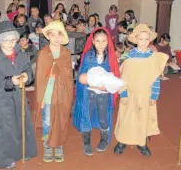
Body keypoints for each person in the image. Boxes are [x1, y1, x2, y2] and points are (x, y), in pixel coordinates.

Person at [114, 24, 168, 157]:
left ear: (150, 40)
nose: (143, 42)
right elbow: (122, 77)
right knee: (127, 117)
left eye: (146, 39)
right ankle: (122, 140)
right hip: (130, 93)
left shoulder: (153, 57)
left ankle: (141, 142)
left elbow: (156, 78)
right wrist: (124, 93)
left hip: (146, 94)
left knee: (143, 118)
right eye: (140, 39)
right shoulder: (129, 57)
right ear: (136, 40)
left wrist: (154, 95)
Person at [0, 21, 37, 169]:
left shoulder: (21, 54)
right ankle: (6, 159)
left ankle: (24, 151)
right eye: (6, 40)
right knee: (5, 129)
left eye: (13, 39)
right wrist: (10, 81)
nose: (11, 43)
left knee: (22, 124)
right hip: (3, 100)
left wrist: (27, 75)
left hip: (20, 97)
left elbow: (28, 68)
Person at [73, 28, 120, 156]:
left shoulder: (110, 56)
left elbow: (114, 73)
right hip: (89, 91)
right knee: (87, 114)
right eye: (98, 41)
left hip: (103, 93)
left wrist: (106, 85)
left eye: (103, 41)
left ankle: (104, 139)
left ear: (108, 41)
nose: (100, 44)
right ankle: (87, 141)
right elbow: (83, 72)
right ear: (93, 41)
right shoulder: (88, 55)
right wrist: (88, 80)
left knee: (103, 116)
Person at [34, 21, 73, 162]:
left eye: (59, 35)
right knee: (47, 121)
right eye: (53, 35)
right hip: (48, 94)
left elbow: (69, 75)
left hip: (62, 94)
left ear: (63, 37)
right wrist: (49, 72)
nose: (56, 38)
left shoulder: (66, 53)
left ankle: (59, 145)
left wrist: (60, 70)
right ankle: (48, 145)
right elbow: (39, 76)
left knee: (61, 120)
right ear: (48, 36)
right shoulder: (43, 53)